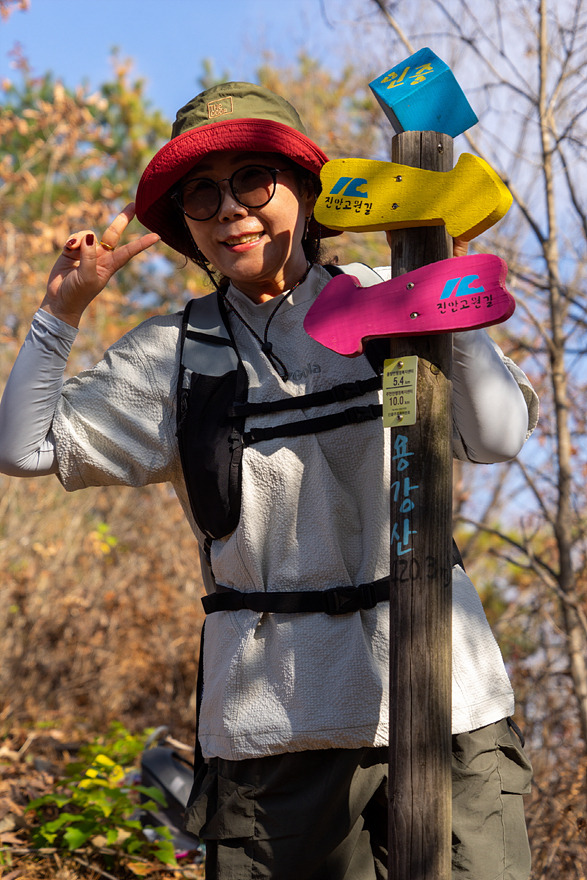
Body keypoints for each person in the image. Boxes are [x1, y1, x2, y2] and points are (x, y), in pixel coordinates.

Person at [0, 82, 537, 880]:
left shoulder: (385, 292)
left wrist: (436, 284)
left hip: (445, 695)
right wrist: (62, 312)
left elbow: (495, 436)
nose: (229, 210)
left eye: (253, 180)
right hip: (272, 727)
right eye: (201, 194)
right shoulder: (172, 354)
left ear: (308, 193)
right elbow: (23, 448)